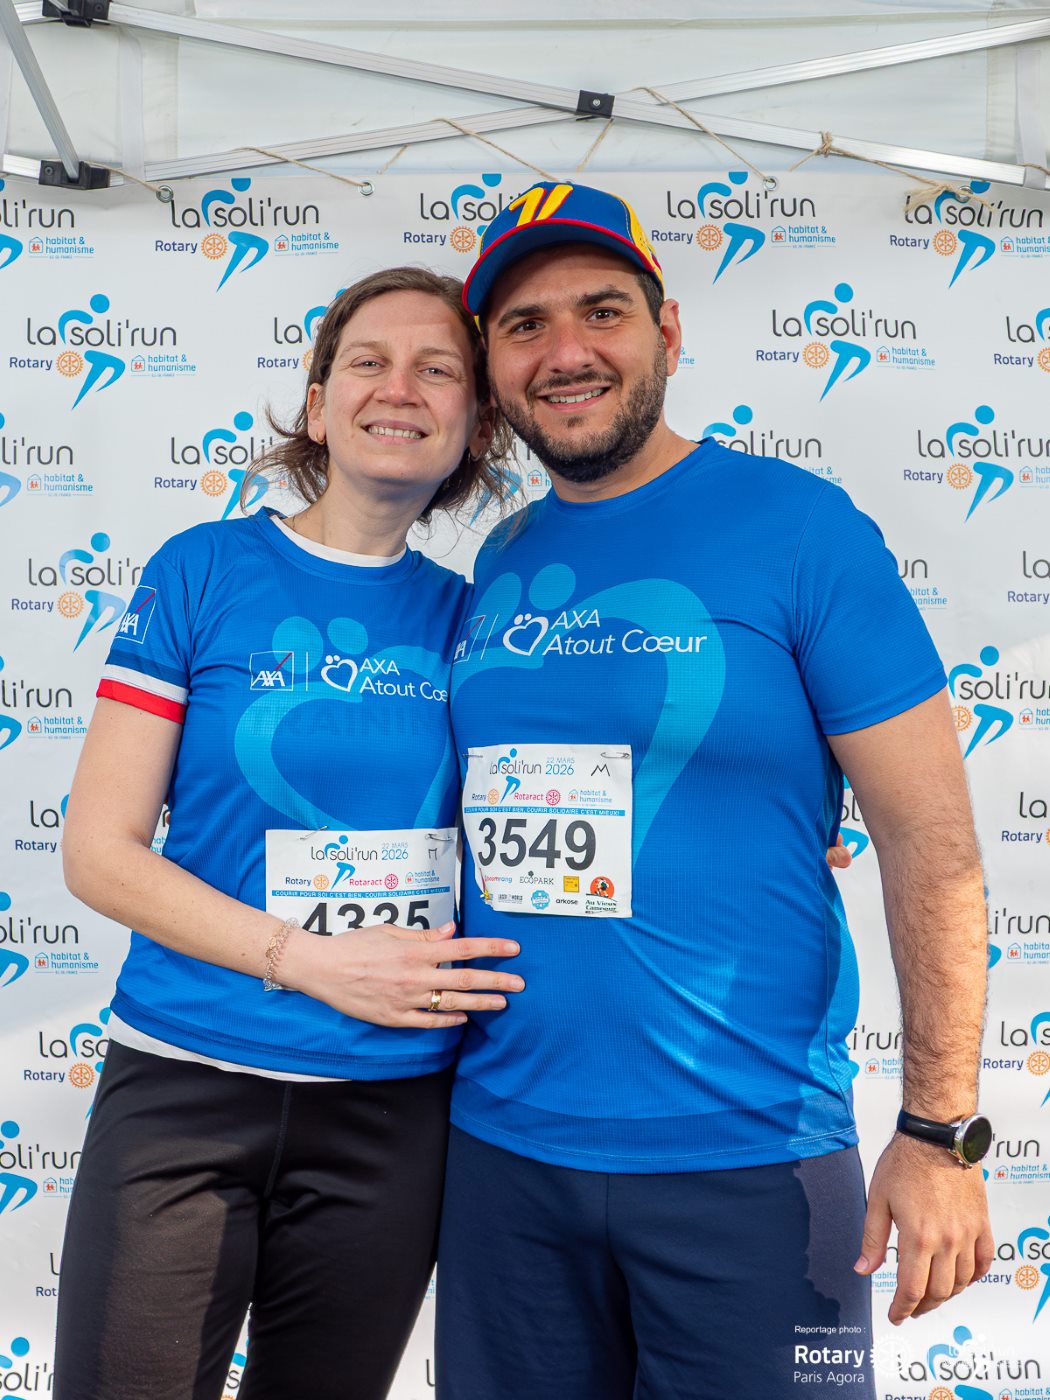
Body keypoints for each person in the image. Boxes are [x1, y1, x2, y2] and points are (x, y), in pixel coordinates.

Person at [437, 183, 994, 1400]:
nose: (565, 351)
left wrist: (940, 1129)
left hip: (752, 1164)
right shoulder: (503, 554)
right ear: (493, 362)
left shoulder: (801, 528)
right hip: (503, 1158)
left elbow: (930, 839)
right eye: (525, 324)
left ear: (669, 330)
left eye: (601, 311)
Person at [54, 266, 526, 1400]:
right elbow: (98, 850)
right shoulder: (202, 570)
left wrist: (758, 830)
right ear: (317, 406)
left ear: (474, 424)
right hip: (184, 1089)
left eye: (438, 370)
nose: (398, 388)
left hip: (392, 1112)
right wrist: (308, 961)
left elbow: (573, 789)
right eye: (368, 361)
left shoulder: (478, 618)